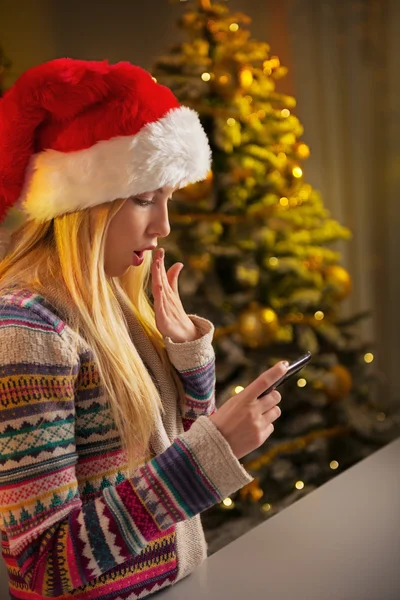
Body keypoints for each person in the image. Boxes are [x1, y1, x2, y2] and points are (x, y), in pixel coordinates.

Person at [0, 58, 287, 600]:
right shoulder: (27, 331)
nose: (165, 226)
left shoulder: (110, 299)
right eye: (143, 199)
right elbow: (41, 569)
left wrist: (188, 362)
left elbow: (171, 447)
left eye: (167, 199)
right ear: (83, 205)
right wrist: (215, 450)